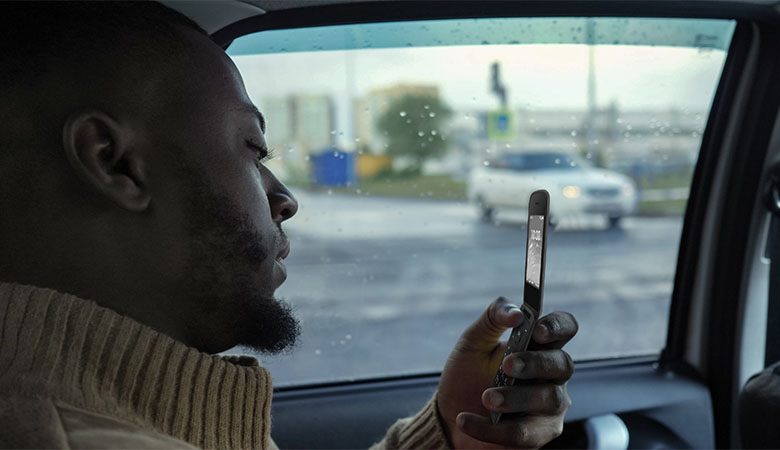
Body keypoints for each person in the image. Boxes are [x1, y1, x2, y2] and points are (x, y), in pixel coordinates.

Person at [0, 3, 578, 449]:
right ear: (115, 162)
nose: (285, 200)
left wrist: (452, 433)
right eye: (254, 150)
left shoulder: (120, 413)